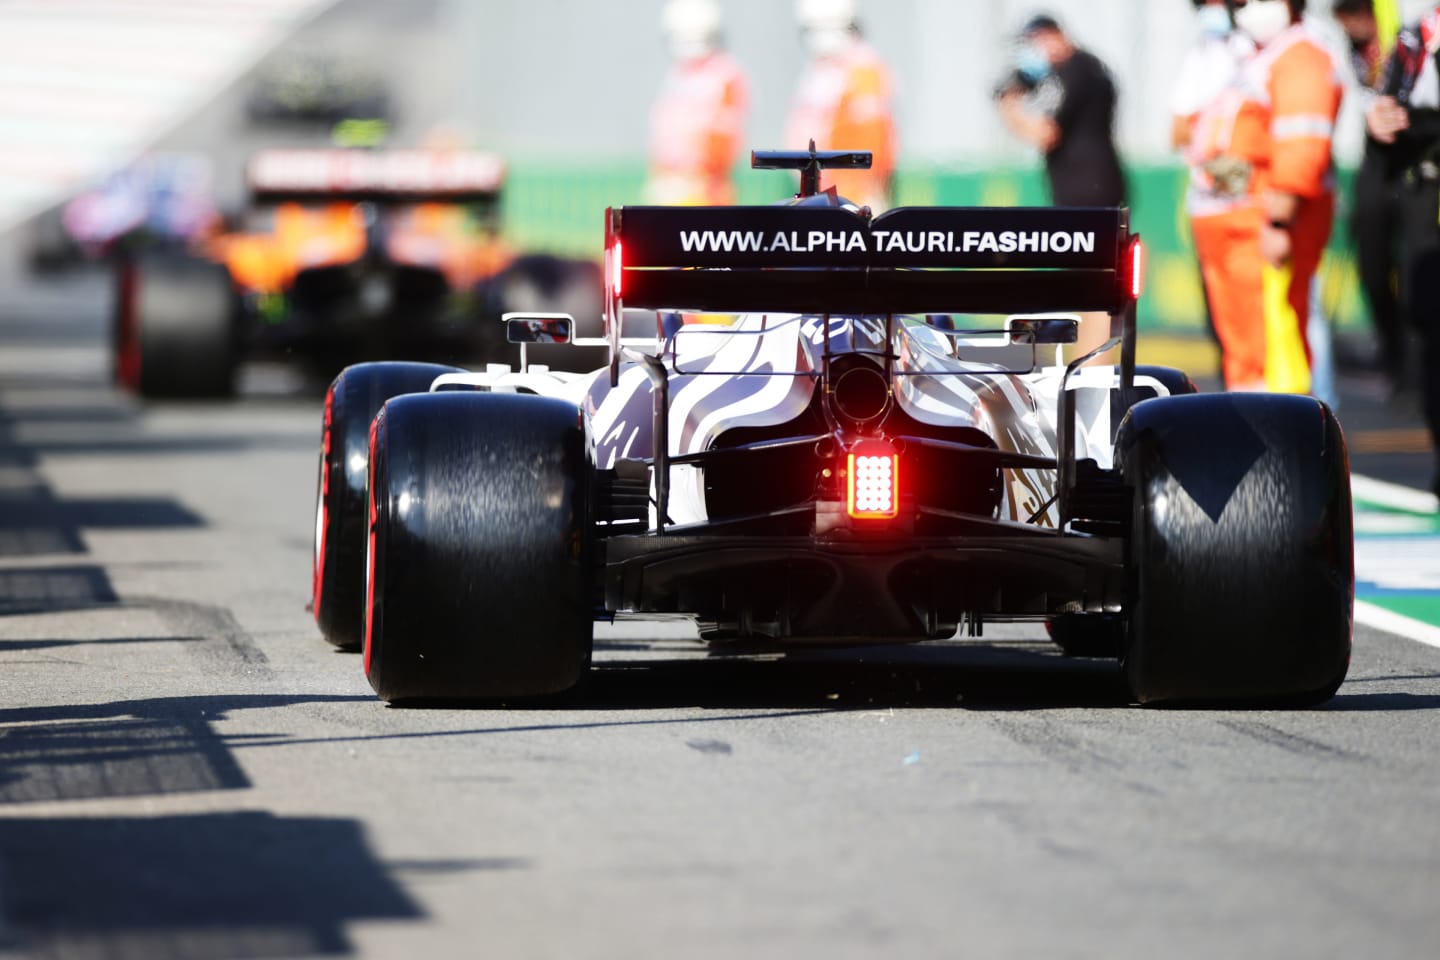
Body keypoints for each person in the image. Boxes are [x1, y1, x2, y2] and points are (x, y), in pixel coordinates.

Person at [1187, 0, 1343, 393]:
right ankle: (1253, 437)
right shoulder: (1253, 55)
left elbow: (1303, 146)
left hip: (1264, 223)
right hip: (1230, 218)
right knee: (1244, 352)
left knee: (1275, 351)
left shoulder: (1302, 56)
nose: (1248, 9)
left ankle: (1282, 444)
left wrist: (1278, 221)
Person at [996, 14, 1126, 361]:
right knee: (1088, 285)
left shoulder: (1075, 71)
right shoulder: (1085, 68)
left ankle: (1095, 362)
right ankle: (1089, 360)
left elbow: (1045, 133)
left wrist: (1008, 106)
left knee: (1095, 284)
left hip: (1089, 190)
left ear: (1052, 36)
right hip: (1088, 186)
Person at [1367, 0, 1440, 499]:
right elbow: (1388, 107)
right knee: (1431, 329)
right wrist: (1381, 125)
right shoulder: (1416, 37)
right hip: (1425, 199)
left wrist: (1418, 124)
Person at [1336, 0, 1410, 393]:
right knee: (1373, 263)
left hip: (1413, 154)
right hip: (1374, 160)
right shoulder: (1353, 51)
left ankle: (1414, 357)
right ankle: (1394, 351)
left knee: (1416, 268)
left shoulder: (1402, 33)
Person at [785, 0, 897, 211]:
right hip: (819, 189)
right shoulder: (819, 71)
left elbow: (872, 143)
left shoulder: (862, 69)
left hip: (850, 195)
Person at [646, 0, 749, 205]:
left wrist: (704, 174)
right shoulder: (676, 76)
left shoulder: (724, 74)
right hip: (671, 184)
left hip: (706, 187)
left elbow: (725, 134)